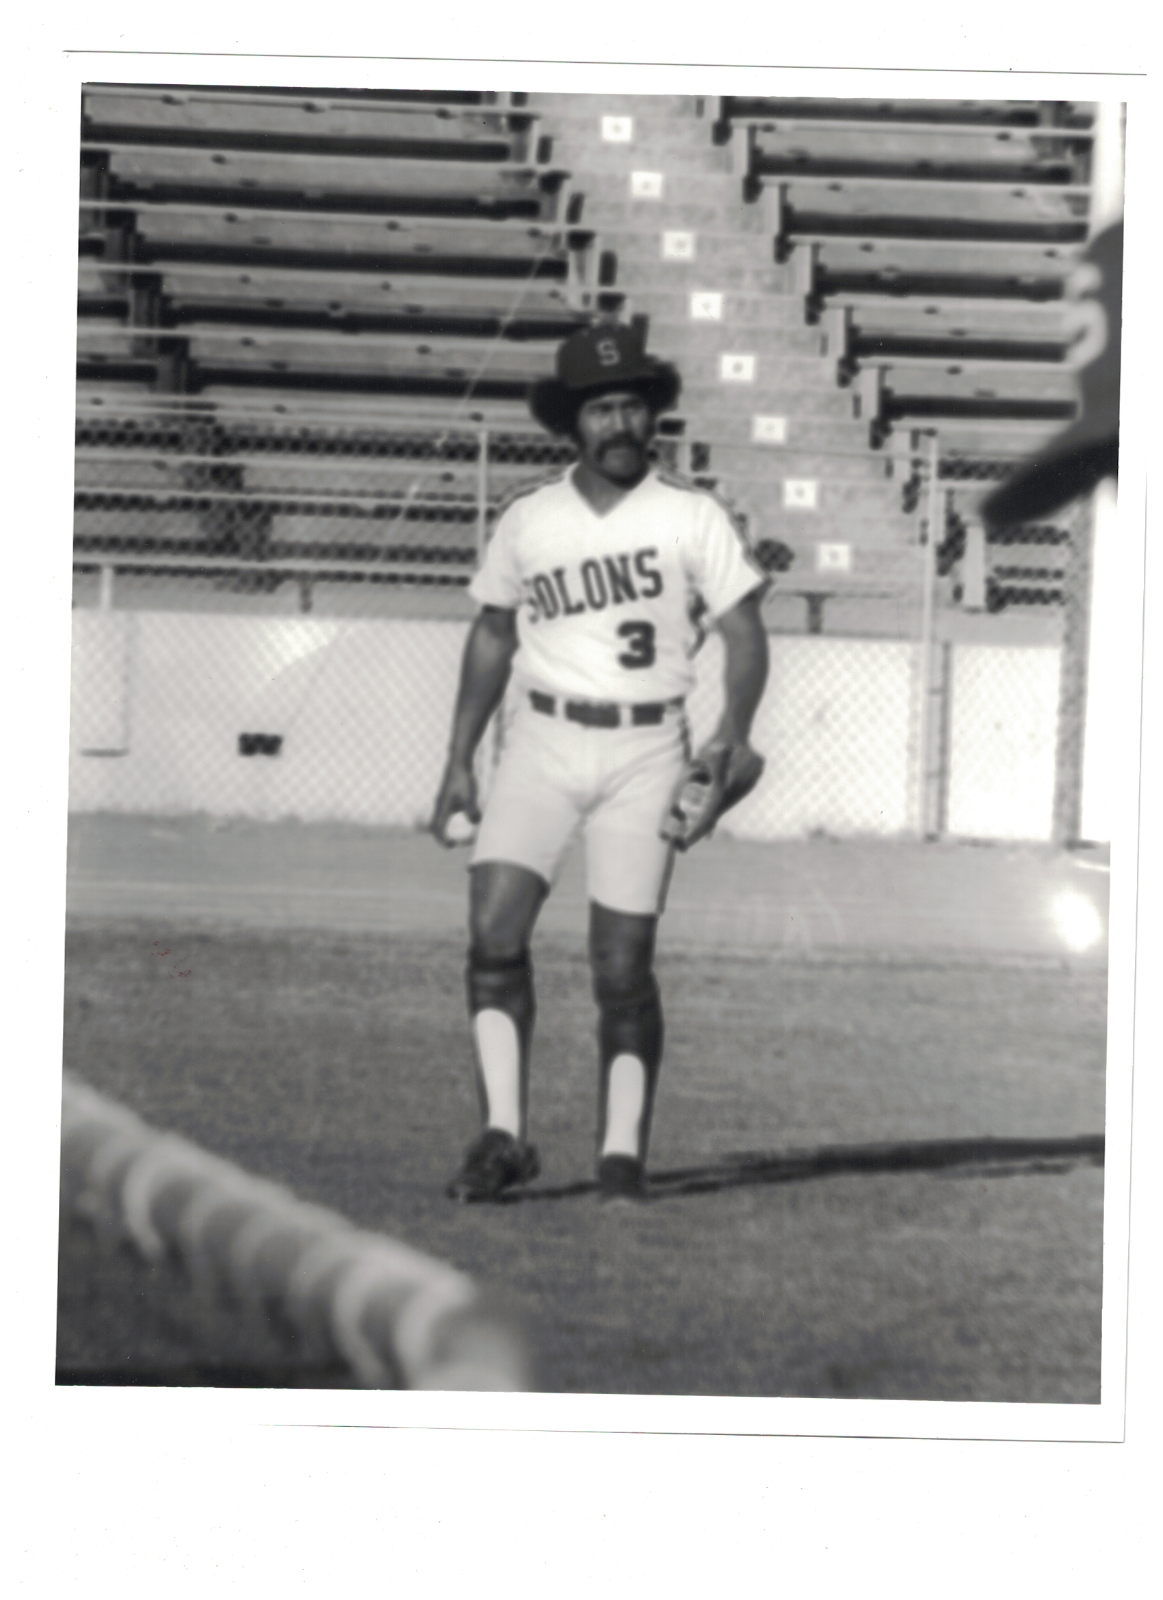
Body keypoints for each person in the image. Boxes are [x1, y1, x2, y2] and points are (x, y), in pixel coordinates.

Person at [429, 323, 770, 1203]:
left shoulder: (690, 514)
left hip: (647, 747)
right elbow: (493, 633)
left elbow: (742, 631)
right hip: (538, 742)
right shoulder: (528, 517)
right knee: (492, 938)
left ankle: (621, 1153)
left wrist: (730, 731)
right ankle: (502, 1136)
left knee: (621, 967)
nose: (621, 422)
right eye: (601, 408)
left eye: (633, 405)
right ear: (571, 423)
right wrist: (458, 758)